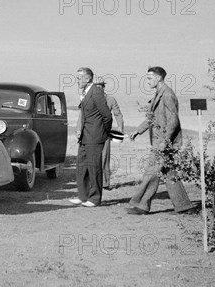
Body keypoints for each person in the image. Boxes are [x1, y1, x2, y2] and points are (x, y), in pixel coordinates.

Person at [127, 66, 195, 215]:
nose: (147, 81)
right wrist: (137, 131)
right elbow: (152, 119)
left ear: (158, 78)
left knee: (151, 173)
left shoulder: (167, 95)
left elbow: (173, 121)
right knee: (170, 173)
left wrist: (165, 140)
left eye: (149, 78)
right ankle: (184, 206)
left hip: (164, 142)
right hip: (162, 142)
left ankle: (141, 205)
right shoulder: (159, 94)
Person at [69, 67, 112, 208]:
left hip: (95, 136)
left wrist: (103, 133)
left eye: (79, 78)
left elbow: (107, 116)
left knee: (94, 168)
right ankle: (83, 196)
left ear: (87, 79)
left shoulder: (96, 92)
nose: (77, 81)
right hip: (85, 137)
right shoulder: (86, 92)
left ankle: (94, 199)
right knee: (82, 166)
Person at [95, 77, 124, 190]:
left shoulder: (111, 100)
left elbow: (118, 115)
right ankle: (93, 182)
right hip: (91, 134)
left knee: (104, 158)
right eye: (95, 86)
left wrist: (120, 129)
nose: (97, 88)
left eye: (100, 86)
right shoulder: (89, 99)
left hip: (105, 133)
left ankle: (105, 183)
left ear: (103, 87)